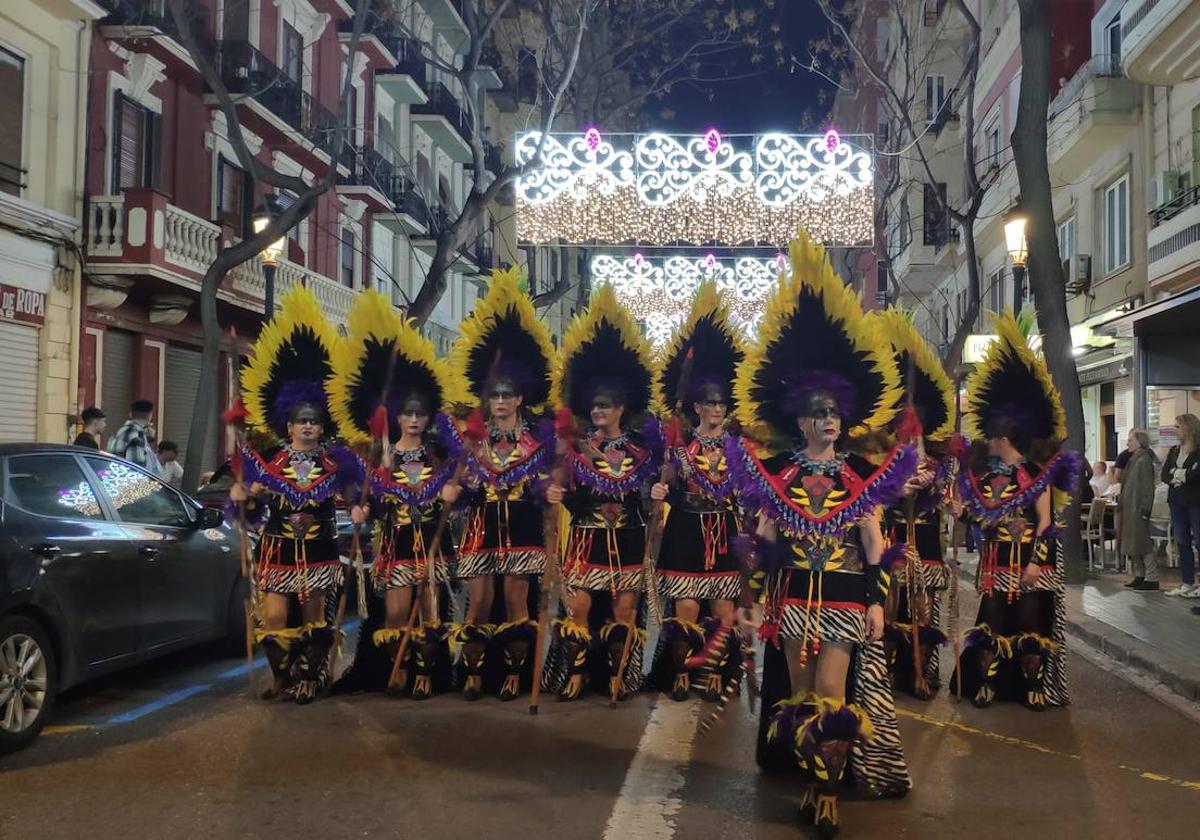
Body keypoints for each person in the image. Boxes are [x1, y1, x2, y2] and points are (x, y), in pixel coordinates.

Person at [730, 232, 914, 835]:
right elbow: (758, 541)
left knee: (833, 693)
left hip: (840, 596)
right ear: (802, 420)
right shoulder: (778, 473)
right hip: (789, 601)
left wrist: (879, 603)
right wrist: (750, 602)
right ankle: (811, 783)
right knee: (802, 697)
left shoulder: (861, 474)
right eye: (818, 414)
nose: (828, 422)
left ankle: (828, 791)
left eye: (834, 414)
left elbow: (875, 545)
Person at [328, 292, 469, 699]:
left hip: (432, 543)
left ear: (427, 418)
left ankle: (429, 674)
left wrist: (454, 493)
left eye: (419, 414)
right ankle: (399, 669)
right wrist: (360, 509)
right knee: (393, 613)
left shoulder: (441, 454)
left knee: (430, 609)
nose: (413, 419)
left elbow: (463, 495)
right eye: (407, 414)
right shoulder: (379, 457)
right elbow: (368, 501)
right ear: (397, 416)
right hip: (394, 544)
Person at [230, 286, 365, 704]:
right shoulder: (266, 461)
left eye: (313, 422)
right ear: (287, 426)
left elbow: (358, 494)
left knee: (313, 618)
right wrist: (244, 496)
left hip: (321, 546)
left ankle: (312, 677)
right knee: (272, 620)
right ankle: (282, 677)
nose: (307, 427)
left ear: (322, 427)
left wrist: (360, 507)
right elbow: (249, 513)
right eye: (299, 422)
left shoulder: (335, 462)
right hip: (278, 547)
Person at [952, 311, 1081, 712]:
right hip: (994, 565)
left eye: (989, 436)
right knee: (991, 625)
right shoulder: (986, 476)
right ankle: (988, 683)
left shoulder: (1036, 475)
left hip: (1028, 564)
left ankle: (1032, 686)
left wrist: (1033, 566)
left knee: (1030, 626)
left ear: (1003, 438)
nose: (984, 441)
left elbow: (1046, 524)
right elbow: (983, 518)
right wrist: (961, 512)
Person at [543, 284, 663, 702]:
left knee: (623, 612)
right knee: (578, 609)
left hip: (628, 538)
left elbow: (646, 496)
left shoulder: (642, 450)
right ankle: (576, 673)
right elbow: (569, 496)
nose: (599, 412)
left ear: (621, 410)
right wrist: (558, 495)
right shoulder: (574, 450)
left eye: (606, 406)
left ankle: (618, 673)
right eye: (594, 407)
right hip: (587, 539)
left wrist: (657, 496)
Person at [445, 268, 557, 701]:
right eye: (495, 396)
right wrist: (455, 494)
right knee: (476, 603)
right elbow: (460, 487)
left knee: (516, 605)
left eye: (508, 396)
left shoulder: (538, 440)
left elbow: (550, 481)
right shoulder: (473, 442)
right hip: (482, 526)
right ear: (487, 401)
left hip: (524, 528)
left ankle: (516, 674)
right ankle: (474, 673)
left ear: (520, 399)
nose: (502, 402)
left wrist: (549, 491)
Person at [650, 282, 746, 702]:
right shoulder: (678, 447)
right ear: (695, 408)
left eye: (721, 404)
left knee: (723, 611)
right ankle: (682, 672)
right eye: (708, 404)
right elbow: (667, 488)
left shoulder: (740, 450)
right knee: (686, 607)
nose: (714, 409)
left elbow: (748, 493)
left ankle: (713, 670)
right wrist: (660, 488)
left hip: (724, 530)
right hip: (686, 530)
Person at [869, 307, 956, 701]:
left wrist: (933, 484)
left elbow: (942, 480)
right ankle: (881, 672)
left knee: (922, 606)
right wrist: (892, 489)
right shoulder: (874, 451)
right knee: (888, 604)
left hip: (922, 533)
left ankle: (920, 671)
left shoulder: (935, 458)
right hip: (887, 531)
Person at [1163, 414, 1200, 598]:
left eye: (1177, 426)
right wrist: (1183, 474)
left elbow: (1197, 476)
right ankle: (1187, 582)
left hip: (1195, 502)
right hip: (1176, 501)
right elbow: (1164, 475)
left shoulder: (1198, 451)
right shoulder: (1174, 451)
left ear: (1188, 428)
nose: (1174, 430)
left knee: (1199, 541)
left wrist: (1178, 474)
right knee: (1183, 542)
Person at [1119, 429, 1160, 591]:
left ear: (1139, 442)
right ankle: (1139, 574)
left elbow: (1146, 487)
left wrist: (1145, 508)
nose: (1128, 443)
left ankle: (1152, 576)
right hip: (1131, 507)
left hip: (1138, 508)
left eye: (1131, 440)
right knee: (1133, 543)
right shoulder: (1134, 459)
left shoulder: (1143, 461)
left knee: (1142, 543)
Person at [108, 399, 162, 475]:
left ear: (130, 414)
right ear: (150, 416)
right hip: (129, 484)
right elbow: (137, 468)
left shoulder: (118, 432)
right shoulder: (136, 435)